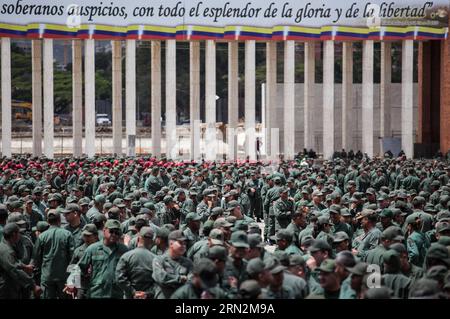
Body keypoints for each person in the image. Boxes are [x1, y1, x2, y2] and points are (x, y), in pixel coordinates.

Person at [76, 219, 129, 298]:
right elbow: (79, 269)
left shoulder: (123, 250)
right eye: (111, 231)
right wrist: (80, 287)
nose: (114, 234)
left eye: (117, 232)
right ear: (104, 230)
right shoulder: (93, 249)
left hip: (116, 294)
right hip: (97, 293)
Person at [33, 210, 74, 299]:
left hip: (47, 276)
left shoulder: (42, 236)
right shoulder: (67, 234)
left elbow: (36, 257)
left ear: (48, 221)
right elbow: (72, 257)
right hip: (63, 276)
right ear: (59, 220)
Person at [0, 223, 41, 299]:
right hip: (6, 289)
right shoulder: (6, 251)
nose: (20, 235)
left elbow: (14, 262)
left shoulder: (6, 245)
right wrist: (33, 285)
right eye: (19, 233)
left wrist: (24, 266)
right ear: (13, 234)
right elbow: (14, 269)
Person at [116, 227, 157, 299]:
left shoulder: (126, 256)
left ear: (138, 239)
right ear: (152, 242)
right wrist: (147, 294)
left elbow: (119, 278)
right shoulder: (156, 259)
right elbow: (159, 282)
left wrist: (133, 292)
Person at [152, 230, 193, 299]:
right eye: (180, 243)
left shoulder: (188, 262)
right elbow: (161, 278)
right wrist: (180, 279)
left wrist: (170, 280)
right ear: (171, 244)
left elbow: (191, 281)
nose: (184, 246)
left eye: (184, 243)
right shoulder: (159, 260)